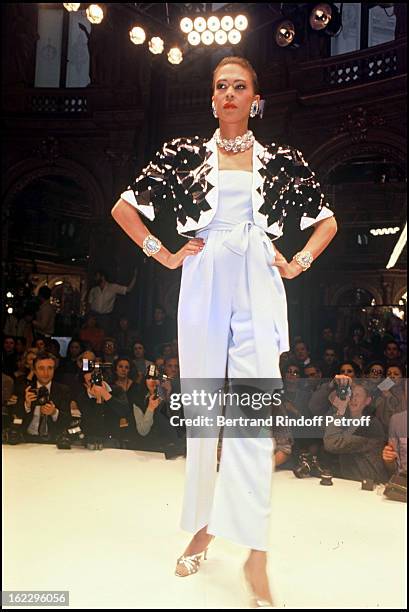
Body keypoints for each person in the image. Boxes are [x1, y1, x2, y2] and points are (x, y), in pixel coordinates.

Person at [111, 56, 337, 607]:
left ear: (254, 97)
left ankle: (255, 553)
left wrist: (298, 261)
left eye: (239, 86)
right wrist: (161, 253)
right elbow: (123, 209)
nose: (230, 94)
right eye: (220, 87)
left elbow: (327, 221)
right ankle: (205, 525)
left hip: (259, 273)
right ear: (212, 99)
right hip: (204, 271)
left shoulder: (283, 159)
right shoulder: (182, 155)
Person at [87, 269, 137, 334]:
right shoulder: (94, 289)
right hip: (94, 316)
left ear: (102, 277)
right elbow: (89, 303)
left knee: (105, 335)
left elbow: (128, 290)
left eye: (97, 276)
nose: (95, 278)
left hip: (105, 318)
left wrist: (135, 277)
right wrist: (89, 316)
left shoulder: (112, 287)